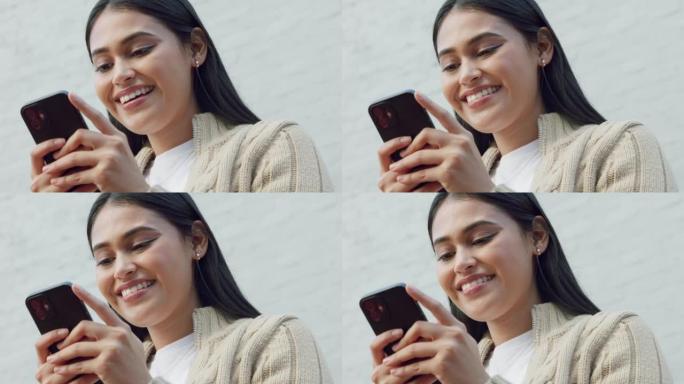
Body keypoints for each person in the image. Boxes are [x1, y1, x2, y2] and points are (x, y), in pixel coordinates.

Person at [30, 0, 333, 192]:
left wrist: (136, 195)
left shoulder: (275, 145)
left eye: (140, 50)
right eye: (104, 65)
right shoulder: (103, 184)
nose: (120, 75)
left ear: (196, 48)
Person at [369, 193, 672, 383]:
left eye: (480, 239)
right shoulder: (441, 376)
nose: (461, 263)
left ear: (537, 236)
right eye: (446, 254)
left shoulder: (614, 338)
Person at [377, 0, 676, 192]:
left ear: (542, 47)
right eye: (450, 65)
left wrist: (482, 194)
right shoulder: (450, 186)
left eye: (485, 50)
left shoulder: (621, 147)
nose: (466, 75)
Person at [34, 193, 332, 384]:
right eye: (105, 259)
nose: (121, 269)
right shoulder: (105, 376)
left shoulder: (276, 341)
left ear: (197, 240)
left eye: (140, 244)